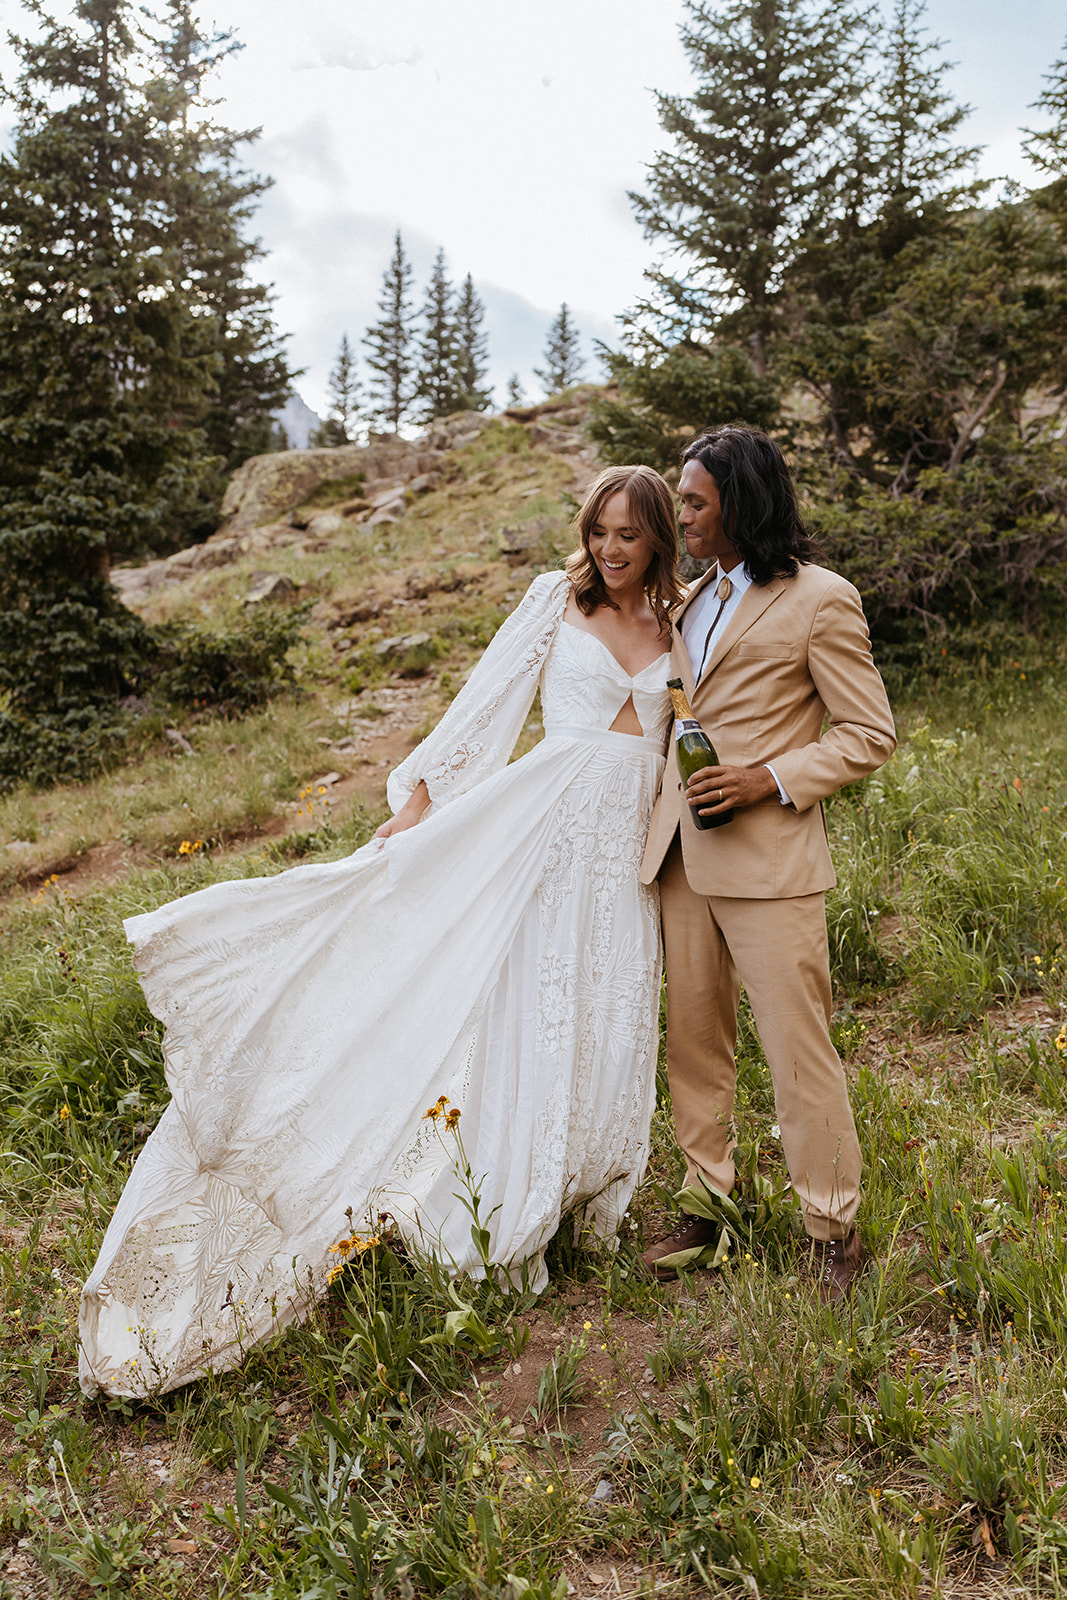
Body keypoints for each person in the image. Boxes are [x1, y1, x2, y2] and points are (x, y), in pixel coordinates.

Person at [79, 464, 682, 1397]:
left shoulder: (680, 624)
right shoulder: (550, 603)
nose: (608, 550)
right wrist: (416, 815)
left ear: (656, 542)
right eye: (598, 530)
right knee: (514, 1009)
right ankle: (488, 1201)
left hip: (621, 859)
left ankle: (576, 1192)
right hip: (538, 829)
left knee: (598, 1011)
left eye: (627, 535)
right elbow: (481, 711)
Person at [639, 426, 896, 1298]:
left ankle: (832, 1229)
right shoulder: (687, 599)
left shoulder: (821, 598)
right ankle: (708, 1205)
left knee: (797, 1050)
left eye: (696, 502)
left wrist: (768, 779)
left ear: (741, 503)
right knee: (693, 1046)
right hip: (680, 857)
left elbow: (868, 734)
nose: (683, 515)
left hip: (771, 863)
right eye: (681, 499)